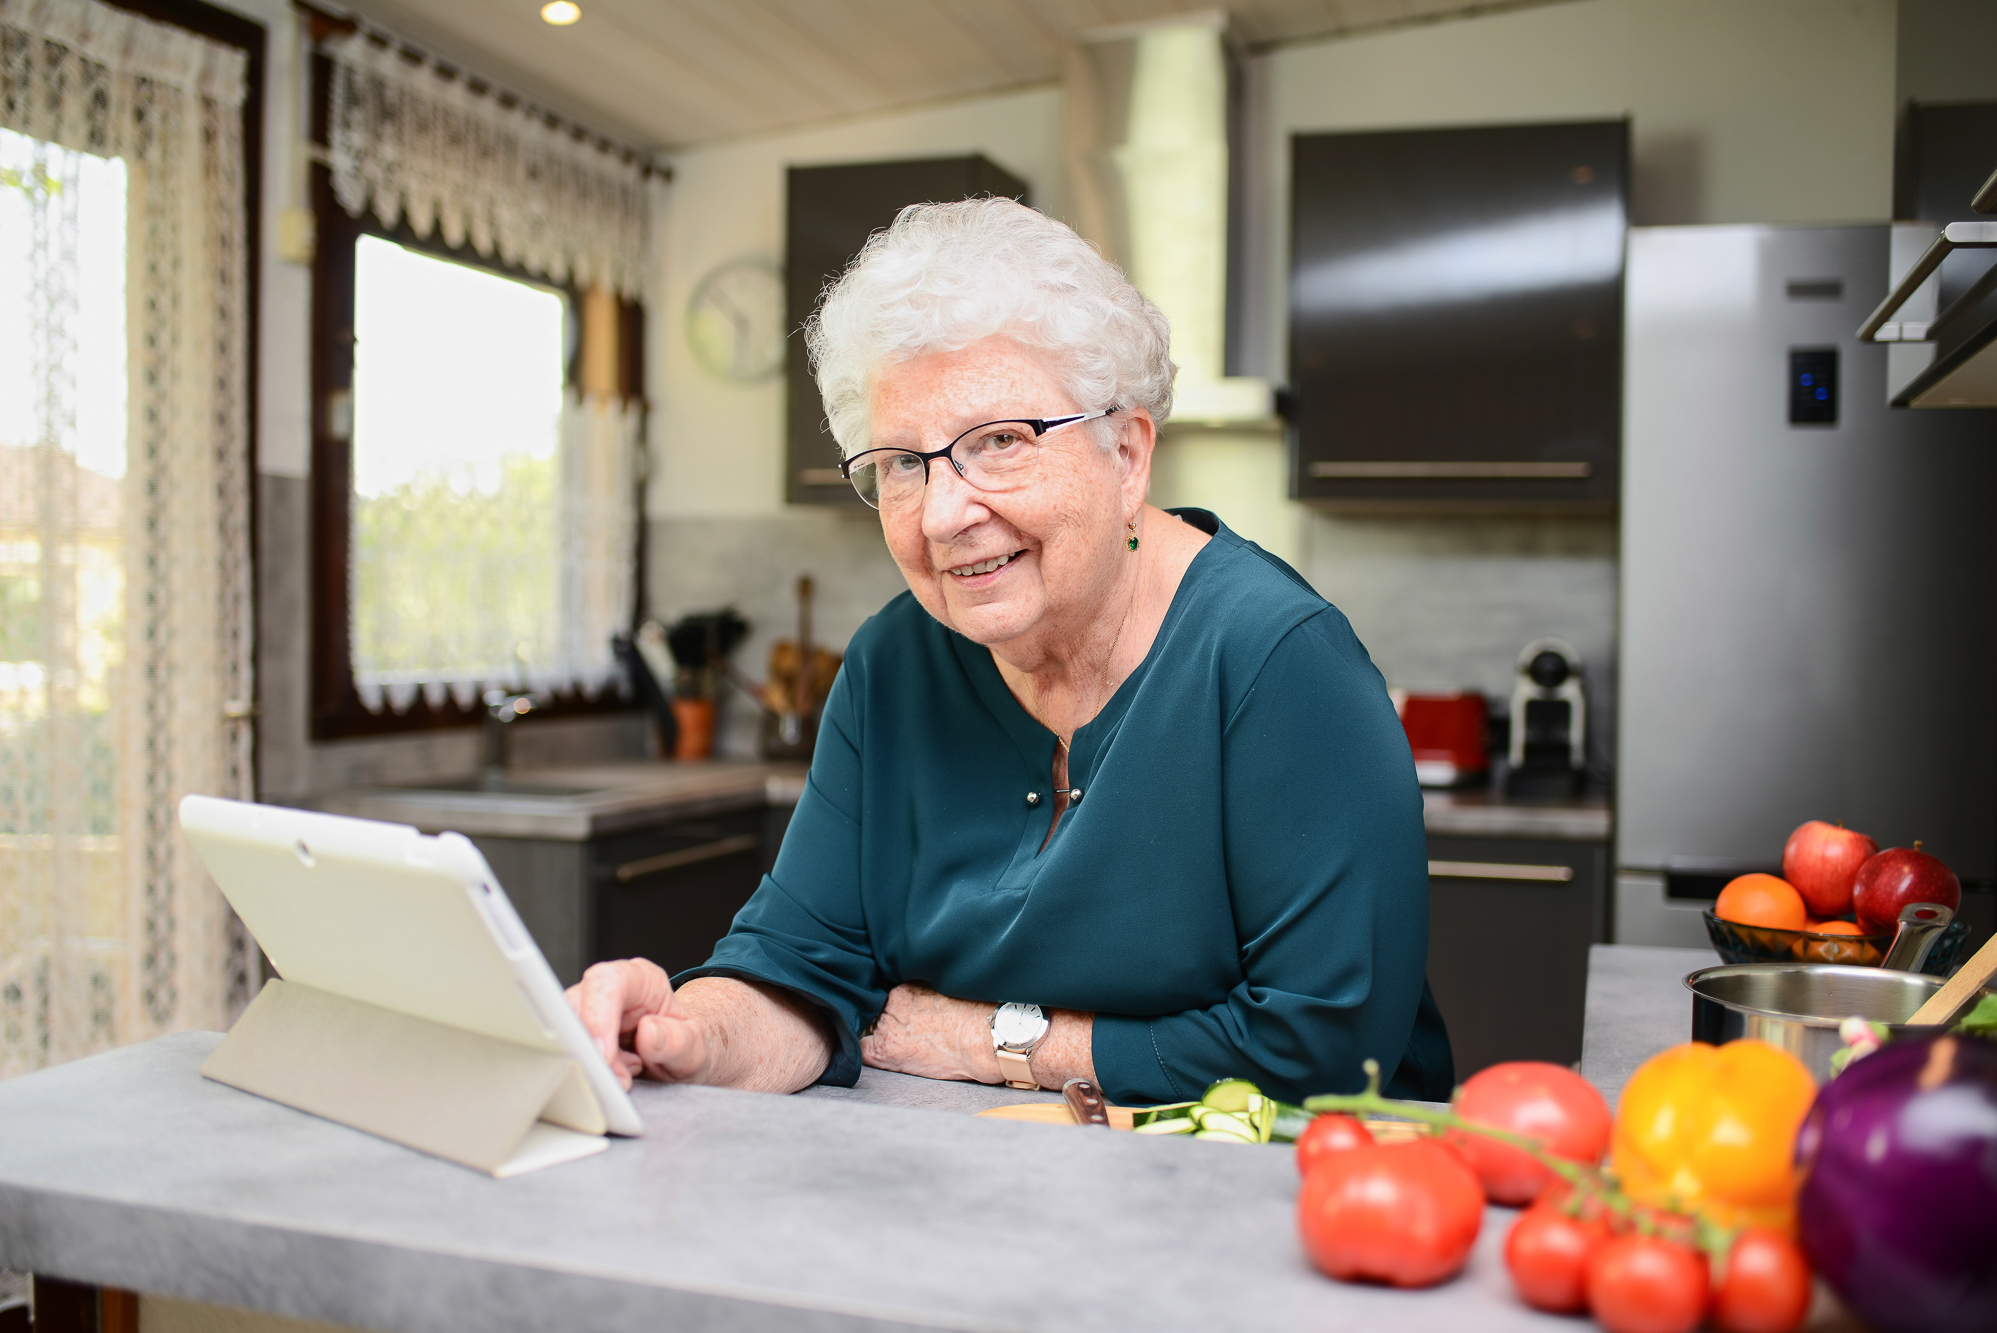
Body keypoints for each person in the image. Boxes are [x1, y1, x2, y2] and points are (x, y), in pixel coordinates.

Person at [567, 198, 1452, 1106]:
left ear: (1126, 454)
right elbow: (799, 967)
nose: (942, 513)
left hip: (1279, 1179)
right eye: (901, 463)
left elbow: (1325, 1047)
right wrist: (683, 1032)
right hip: (971, 1174)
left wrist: (995, 1040)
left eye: (997, 442)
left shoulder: (1278, 661)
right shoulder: (891, 666)